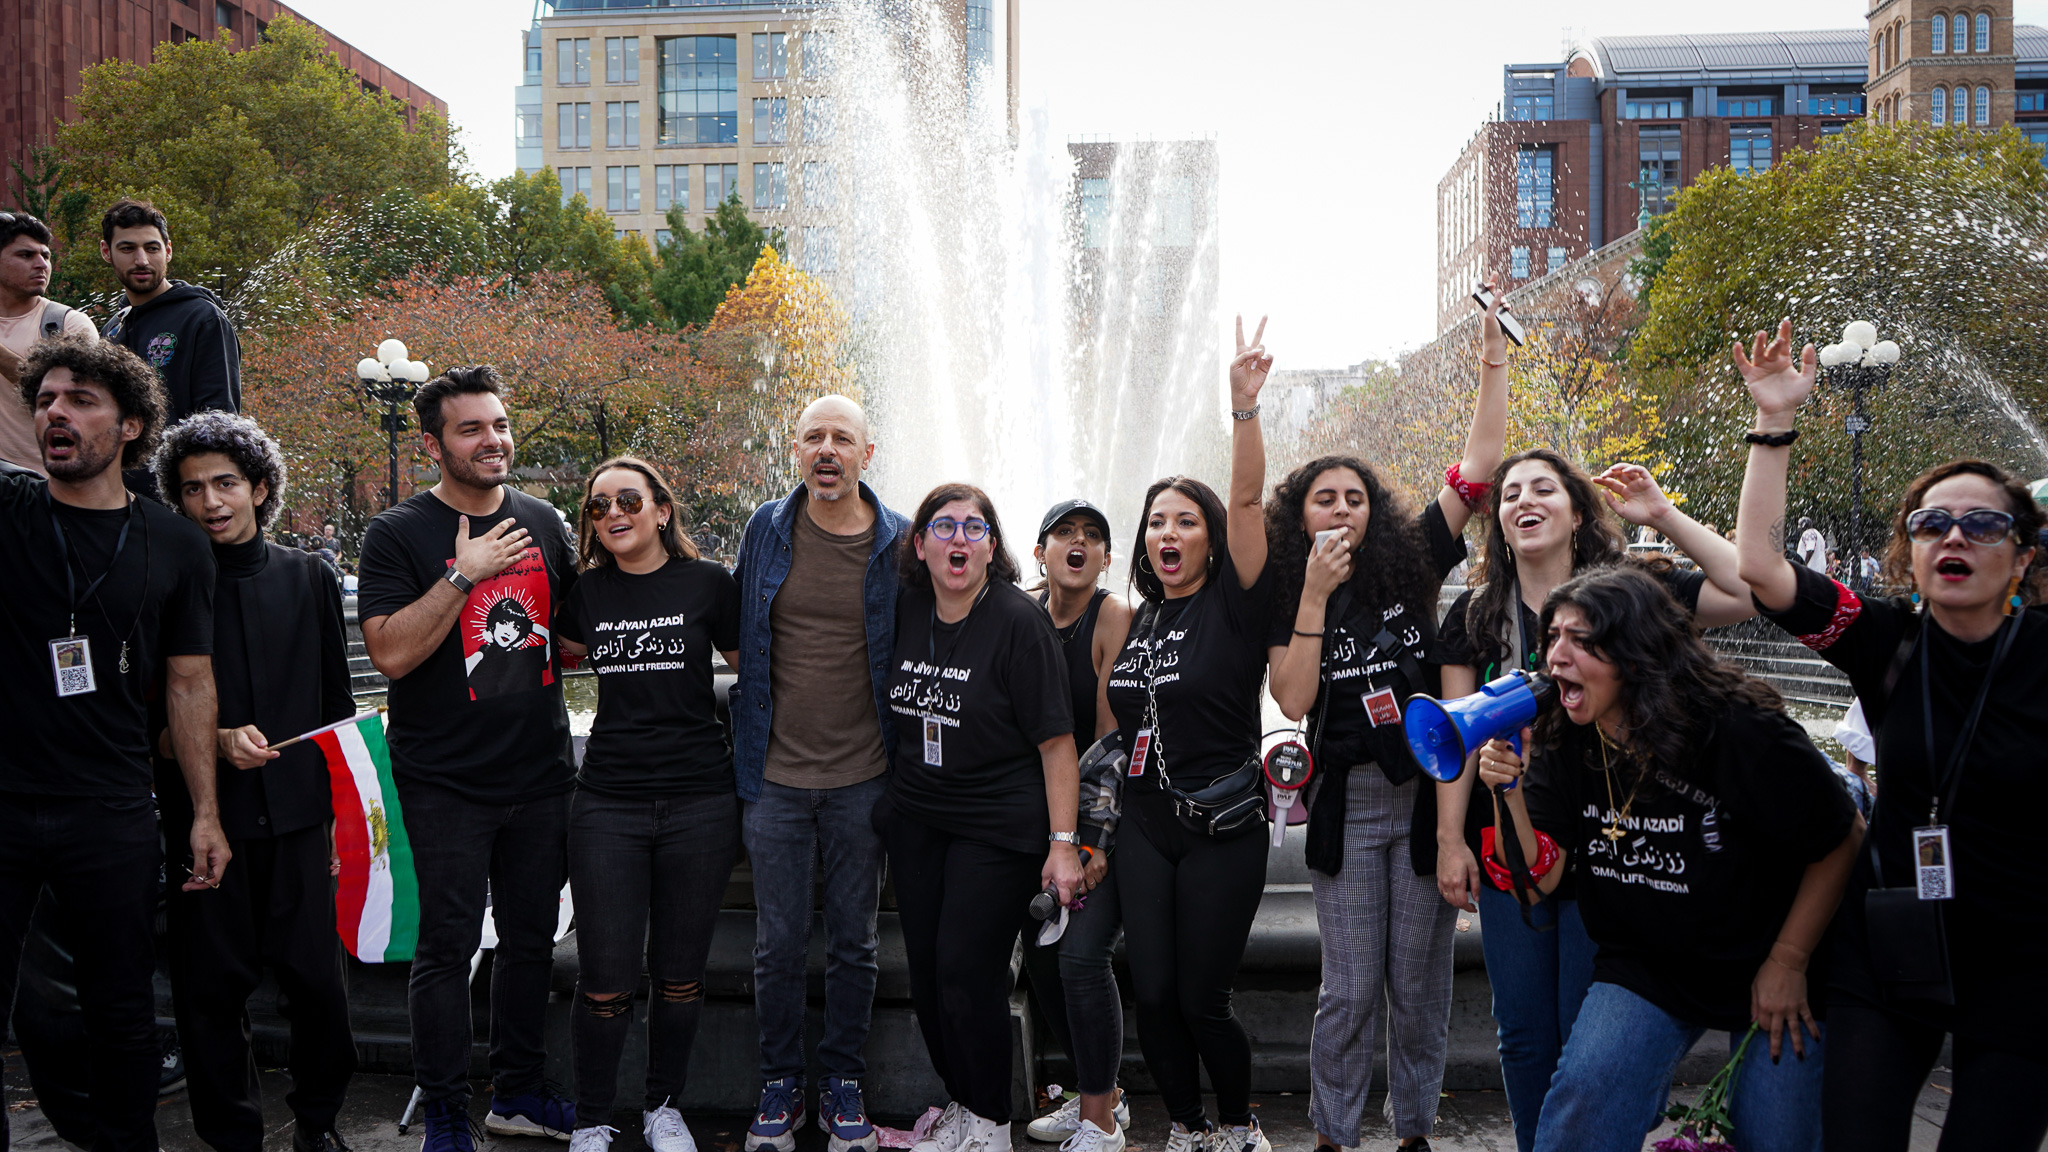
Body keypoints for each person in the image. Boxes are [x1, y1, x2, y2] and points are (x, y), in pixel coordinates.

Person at [1730, 318, 2048, 1149]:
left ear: (2020, 559)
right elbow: (1761, 571)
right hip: (1891, 944)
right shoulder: (1886, 638)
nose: (1954, 537)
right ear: (1909, 553)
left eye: (1982, 526)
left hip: (2022, 960)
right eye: (1932, 524)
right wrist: (1772, 423)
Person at [1431, 451, 1756, 1152]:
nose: (1525, 500)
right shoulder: (1475, 612)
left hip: (1614, 843)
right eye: (1511, 492)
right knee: (1521, 1032)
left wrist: (1664, 515)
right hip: (1513, 840)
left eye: (1544, 488)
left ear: (1577, 511)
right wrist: (1449, 840)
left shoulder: (1630, 595)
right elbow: (1452, 741)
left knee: (1593, 1035)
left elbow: (1746, 591)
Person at [1476, 564, 1860, 1152]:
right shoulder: (1566, 734)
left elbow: (1844, 836)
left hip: (1774, 957)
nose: (1556, 656)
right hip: (1649, 962)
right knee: (1582, 1108)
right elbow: (1540, 881)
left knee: (1773, 1137)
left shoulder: (1738, 728)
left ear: (1636, 653)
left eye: (1582, 640)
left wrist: (1788, 961)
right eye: (1553, 636)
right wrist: (1510, 795)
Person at [1263, 285, 1510, 1152]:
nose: (1340, 509)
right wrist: (1315, 595)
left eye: (1354, 497)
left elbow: (1477, 472)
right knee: (1347, 991)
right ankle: (1333, 1137)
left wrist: (1492, 358)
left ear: (1374, 508)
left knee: (1420, 987)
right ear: (1302, 515)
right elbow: (1291, 700)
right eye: (1323, 498)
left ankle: (1412, 1134)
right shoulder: (1292, 591)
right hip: (1344, 805)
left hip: (1423, 800)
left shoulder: (1411, 565)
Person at [0, 334, 227, 1152]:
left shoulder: (175, 542)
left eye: (80, 400)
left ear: (130, 426)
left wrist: (205, 814)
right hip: (4, 802)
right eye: (45, 400)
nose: (56, 412)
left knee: (124, 1008)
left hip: (113, 809)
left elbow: (190, 682)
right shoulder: (10, 506)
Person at [357, 365, 580, 1152]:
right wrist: (464, 573)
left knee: (530, 943)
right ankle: (447, 1113)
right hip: (447, 781)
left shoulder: (544, 519)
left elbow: (574, 639)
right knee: (447, 947)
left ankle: (516, 1092)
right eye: (471, 428)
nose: (493, 440)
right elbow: (388, 653)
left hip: (541, 774)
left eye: (499, 424)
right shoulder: (397, 533)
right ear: (433, 444)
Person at [152, 411, 358, 1152]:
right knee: (209, 996)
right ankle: (233, 1138)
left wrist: (339, 820)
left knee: (318, 988)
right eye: (192, 489)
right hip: (207, 827)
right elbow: (144, 730)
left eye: (226, 484)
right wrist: (208, 738)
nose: (210, 502)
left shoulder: (310, 578)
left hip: (302, 821)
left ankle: (318, 1123)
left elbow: (338, 709)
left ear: (260, 487)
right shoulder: (163, 589)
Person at [1102, 316, 1274, 1152]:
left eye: (1184, 521)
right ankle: (1187, 1127)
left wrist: (1241, 408)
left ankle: (1241, 1127)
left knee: (1205, 999)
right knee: (1156, 994)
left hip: (1222, 827)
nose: (1167, 533)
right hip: (1144, 826)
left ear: (1209, 537)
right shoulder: (1140, 621)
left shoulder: (1235, 607)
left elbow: (1246, 499)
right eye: (1155, 523)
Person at [881, 485, 1085, 1152]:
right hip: (919, 820)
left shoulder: (1015, 623)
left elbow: (1058, 745)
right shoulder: (906, 608)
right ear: (920, 545)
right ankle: (964, 1103)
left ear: (993, 547)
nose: (958, 539)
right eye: (943, 527)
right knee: (930, 976)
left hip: (998, 825)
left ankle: (991, 1123)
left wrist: (1062, 845)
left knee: (968, 973)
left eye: (975, 528)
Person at [730, 395, 908, 1152]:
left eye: (842, 438)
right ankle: (780, 1080)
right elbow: (741, 635)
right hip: (773, 777)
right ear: (795, 449)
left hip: (864, 776)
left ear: (869, 452)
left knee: (854, 943)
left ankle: (840, 1079)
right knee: (775, 942)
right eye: (813, 438)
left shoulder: (901, 540)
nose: (826, 450)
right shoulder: (766, 528)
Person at [553, 457, 742, 1152]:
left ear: (663, 509)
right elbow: (556, 656)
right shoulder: (586, 593)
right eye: (598, 508)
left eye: (628, 500)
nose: (613, 515)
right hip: (608, 804)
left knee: (681, 976)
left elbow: (756, 672)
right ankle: (592, 1117)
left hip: (700, 802)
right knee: (603, 978)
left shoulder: (710, 584)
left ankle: (664, 1105)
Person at [1019, 499, 1134, 1152]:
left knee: (1081, 956)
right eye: (1065, 532)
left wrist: (1095, 842)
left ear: (1106, 558)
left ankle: (1100, 1118)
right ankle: (1103, 1093)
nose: (1078, 543)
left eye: (1092, 536)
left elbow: (1114, 738)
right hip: (1034, 816)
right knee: (1040, 959)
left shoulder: (1111, 615)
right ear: (1041, 551)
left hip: (1098, 819)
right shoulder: (1024, 610)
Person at [0, 211, 99, 472]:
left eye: (46, 255)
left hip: (46, 486)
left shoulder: (67, 325)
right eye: (26, 255)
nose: (42, 264)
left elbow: (78, 401)